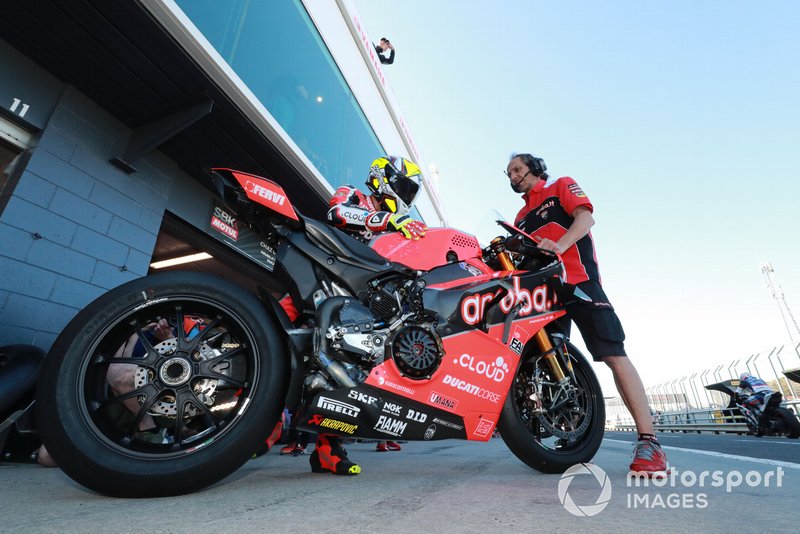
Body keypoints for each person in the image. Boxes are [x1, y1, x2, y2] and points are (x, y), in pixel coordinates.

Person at [505, 152, 669, 475]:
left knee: (612, 353)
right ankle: (571, 433)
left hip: (578, 280)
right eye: (508, 174)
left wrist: (560, 245)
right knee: (548, 366)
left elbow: (585, 219)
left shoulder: (561, 186)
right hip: (543, 296)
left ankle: (650, 442)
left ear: (535, 168)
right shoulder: (519, 217)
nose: (513, 177)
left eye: (518, 169)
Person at [309, 156, 426, 475]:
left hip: (354, 299)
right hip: (317, 282)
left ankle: (327, 449)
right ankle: (252, 437)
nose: (407, 196)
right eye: (405, 187)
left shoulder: (393, 227)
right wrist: (388, 221)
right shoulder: (354, 195)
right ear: (382, 178)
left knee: (347, 371)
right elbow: (336, 212)